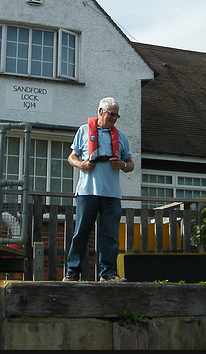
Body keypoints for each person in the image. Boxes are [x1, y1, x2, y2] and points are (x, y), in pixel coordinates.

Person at [63, 97, 134, 282]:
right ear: (101, 111)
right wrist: (81, 165)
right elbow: (71, 157)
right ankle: (72, 272)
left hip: (112, 194)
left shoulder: (122, 137)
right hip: (87, 192)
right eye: (112, 114)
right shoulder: (84, 131)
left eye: (117, 115)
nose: (114, 118)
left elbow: (131, 164)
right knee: (81, 232)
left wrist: (123, 166)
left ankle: (108, 273)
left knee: (110, 235)